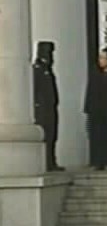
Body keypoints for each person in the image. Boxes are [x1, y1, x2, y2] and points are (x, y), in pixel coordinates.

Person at [33, 41, 65, 172]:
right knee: (46, 135)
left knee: (52, 135)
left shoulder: (47, 69)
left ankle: (51, 161)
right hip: (42, 109)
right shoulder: (38, 69)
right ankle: (46, 162)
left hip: (51, 108)